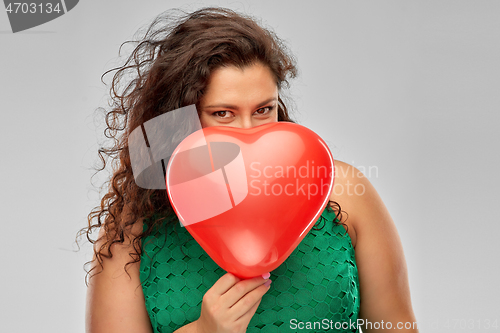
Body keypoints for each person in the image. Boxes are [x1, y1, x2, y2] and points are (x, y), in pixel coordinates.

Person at [82, 6, 418, 333]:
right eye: (223, 114)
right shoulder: (131, 229)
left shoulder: (343, 192)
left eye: (262, 109)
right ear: (180, 119)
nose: (248, 132)